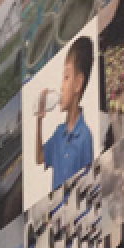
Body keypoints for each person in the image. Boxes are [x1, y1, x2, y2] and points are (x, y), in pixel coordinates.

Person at [36, 35, 94, 191]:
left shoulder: (85, 137)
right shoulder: (59, 133)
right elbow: (40, 158)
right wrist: (39, 120)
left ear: (78, 83)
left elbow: (88, 184)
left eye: (66, 77)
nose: (61, 86)